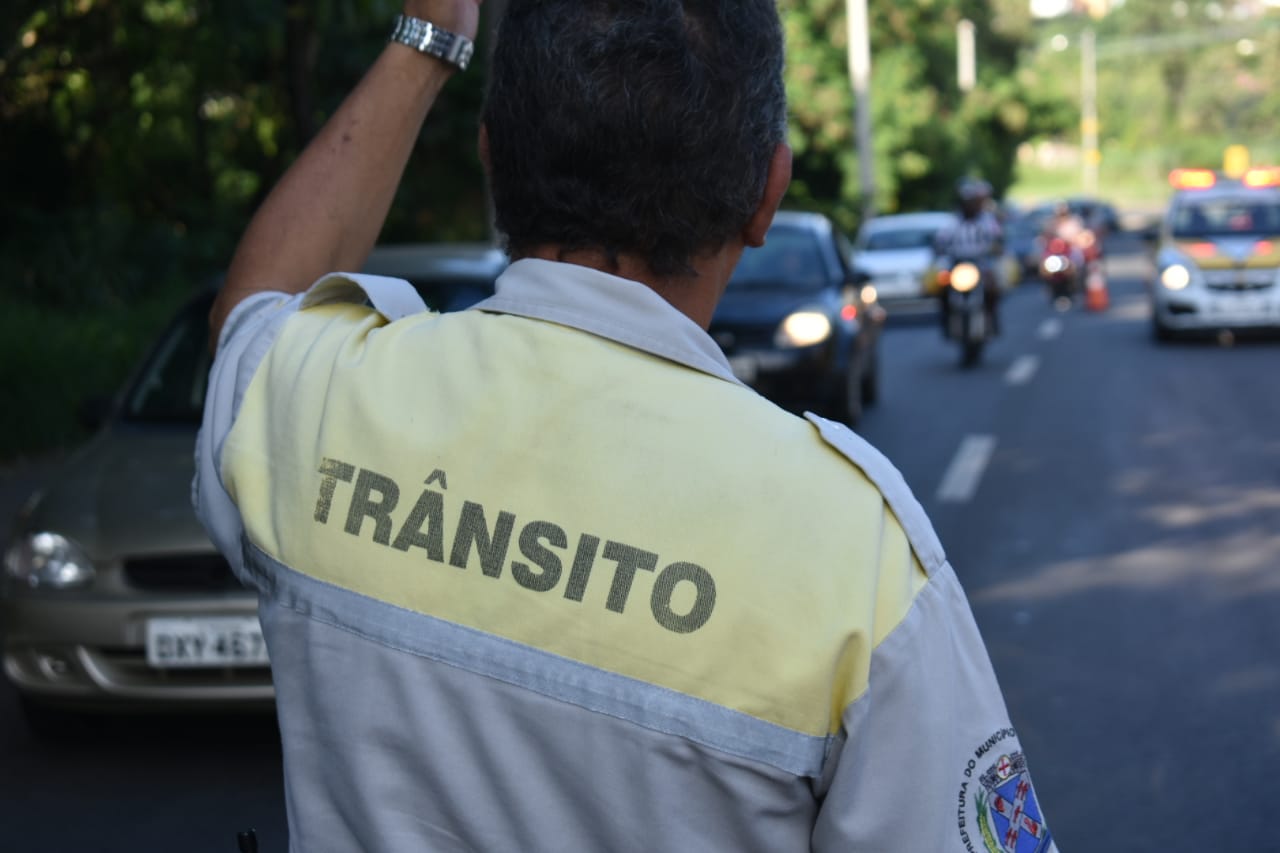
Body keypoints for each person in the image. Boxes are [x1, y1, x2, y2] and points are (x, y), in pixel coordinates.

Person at [194, 1, 1059, 850]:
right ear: (768, 193)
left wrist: (432, 38)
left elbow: (252, 309)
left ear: (493, 160)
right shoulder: (853, 550)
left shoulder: (317, 401)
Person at [935, 177, 1005, 336]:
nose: (970, 206)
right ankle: (946, 320)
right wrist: (938, 250)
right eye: (967, 202)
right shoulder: (952, 222)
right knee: (942, 287)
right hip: (957, 265)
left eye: (972, 202)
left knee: (992, 285)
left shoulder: (986, 221)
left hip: (980, 264)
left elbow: (997, 236)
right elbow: (941, 239)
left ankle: (991, 316)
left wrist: (997, 247)